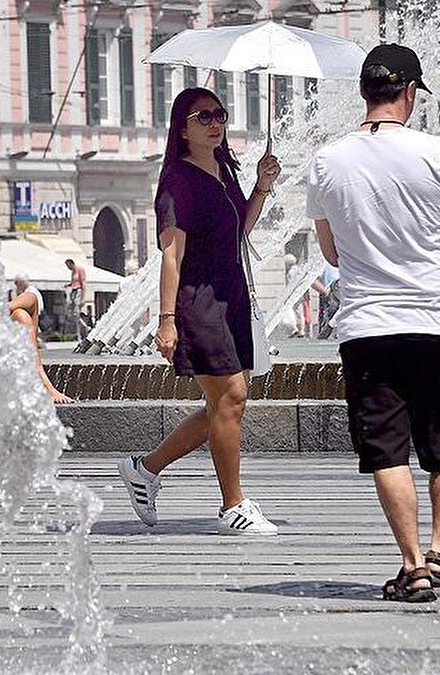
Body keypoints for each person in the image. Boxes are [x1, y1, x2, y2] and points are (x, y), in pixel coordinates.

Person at [305, 44, 440, 602]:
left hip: (366, 328)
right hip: (433, 321)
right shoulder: (439, 153)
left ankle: (412, 567)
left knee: (387, 449)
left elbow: (332, 253)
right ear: (410, 93)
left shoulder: (327, 161)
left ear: (364, 94)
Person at [117, 87, 282, 536]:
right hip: (198, 301)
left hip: (230, 296)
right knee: (231, 398)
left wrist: (261, 189)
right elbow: (171, 256)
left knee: (222, 405)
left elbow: (238, 231)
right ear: (182, 127)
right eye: (203, 116)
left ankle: (144, 468)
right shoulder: (178, 180)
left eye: (220, 114)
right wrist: (166, 319)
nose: (215, 122)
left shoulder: (224, 169)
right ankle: (234, 505)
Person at [9, 274, 72, 404]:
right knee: (21, 314)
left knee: (26, 305)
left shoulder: (30, 291)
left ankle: (39, 375)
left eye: (17, 283)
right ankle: (40, 376)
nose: (16, 286)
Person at [314, 263, 340, 339]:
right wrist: (326, 292)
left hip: (337, 294)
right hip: (331, 297)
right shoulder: (323, 263)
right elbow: (312, 280)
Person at [65, 258, 88, 340]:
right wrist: (68, 285)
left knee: (77, 313)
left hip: (79, 291)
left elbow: (83, 283)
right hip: (73, 292)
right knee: (73, 314)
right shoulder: (73, 272)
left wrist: (83, 298)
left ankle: (84, 330)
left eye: (68, 266)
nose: (68, 268)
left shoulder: (80, 269)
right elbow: (73, 282)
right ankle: (80, 331)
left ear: (71, 263)